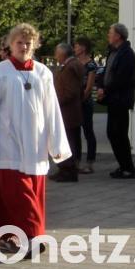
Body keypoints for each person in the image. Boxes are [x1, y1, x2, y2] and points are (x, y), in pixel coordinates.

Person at [0, 23, 70, 258]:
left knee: (31, 193)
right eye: (19, 42)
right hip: (8, 144)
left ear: (35, 45)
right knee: (14, 195)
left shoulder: (43, 73)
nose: (24, 46)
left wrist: (56, 144)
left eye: (28, 43)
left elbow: (52, 110)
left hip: (35, 146)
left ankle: (14, 238)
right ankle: (30, 236)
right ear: (10, 45)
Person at [96, 23, 135, 179]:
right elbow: (106, 72)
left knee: (119, 133)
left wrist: (105, 90)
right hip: (112, 99)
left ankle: (128, 168)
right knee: (112, 133)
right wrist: (100, 86)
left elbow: (121, 78)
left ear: (118, 36)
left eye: (110, 32)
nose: (108, 35)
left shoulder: (127, 54)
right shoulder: (112, 52)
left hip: (121, 99)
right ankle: (123, 166)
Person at [50, 43, 85, 183]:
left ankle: (68, 170)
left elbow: (70, 91)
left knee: (68, 141)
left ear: (63, 53)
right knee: (70, 141)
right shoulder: (72, 65)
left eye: (57, 53)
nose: (55, 56)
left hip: (67, 112)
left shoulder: (70, 67)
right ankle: (65, 169)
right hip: (70, 111)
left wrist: (56, 102)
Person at [74, 37, 98, 174]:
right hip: (75, 101)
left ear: (83, 48)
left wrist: (82, 99)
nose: (75, 48)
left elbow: (89, 87)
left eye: (77, 46)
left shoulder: (91, 65)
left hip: (84, 102)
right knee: (75, 132)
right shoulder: (75, 63)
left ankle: (90, 162)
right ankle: (76, 160)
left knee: (88, 131)